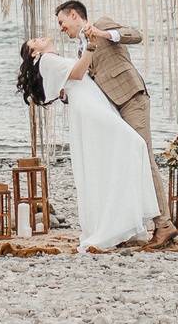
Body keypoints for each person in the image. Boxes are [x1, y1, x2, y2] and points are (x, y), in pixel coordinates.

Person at [19, 14, 162, 252]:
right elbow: (76, 74)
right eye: (35, 40)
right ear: (35, 53)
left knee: (120, 154)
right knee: (134, 144)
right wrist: (91, 46)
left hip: (93, 104)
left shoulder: (51, 61)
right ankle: (119, 222)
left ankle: (126, 220)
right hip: (90, 108)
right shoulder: (46, 60)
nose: (42, 36)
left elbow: (65, 86)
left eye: (62, 22)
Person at [67, 0, 177, 248]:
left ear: (74, 15)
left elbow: (134, 35)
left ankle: (164, 225)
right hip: (113, 111)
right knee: (124, 164)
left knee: (144, 158)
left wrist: (102, 33)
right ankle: (130, 228)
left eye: (63, 23)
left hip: (132, 99)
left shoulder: (102, 24)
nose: (62, 28)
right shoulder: (82, 49)